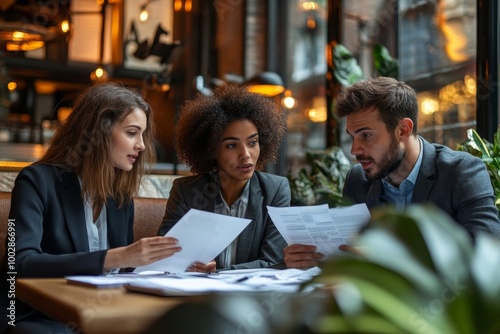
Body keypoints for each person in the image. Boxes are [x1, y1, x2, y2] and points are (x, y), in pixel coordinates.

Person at [0, 82, 181, 333]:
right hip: (40, 317)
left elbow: (125, 273)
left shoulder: (120, 197)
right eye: (131, 133)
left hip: (104, 313)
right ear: (99, 131)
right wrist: (117, 257)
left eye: (143, 135)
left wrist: (176, 263)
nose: (141, 144)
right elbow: (19, 264)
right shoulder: (36, 181)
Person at [284, 76, 500, 269]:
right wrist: (315, 258)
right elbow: (348, 250)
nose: (354, 150)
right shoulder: (358, 180)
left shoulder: (461, 172)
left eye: (366, 135)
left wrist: (390, 256)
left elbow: (486, 254)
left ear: (403, 130)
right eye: (352, 137)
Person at [157, 84, 290, 272]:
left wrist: (218, 271)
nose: (246, 154)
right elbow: (164, 256)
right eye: (231, 146)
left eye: (252, 143)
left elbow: (272, 262)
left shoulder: (275, 190)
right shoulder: (185, 191)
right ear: (211, 150)